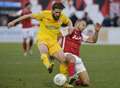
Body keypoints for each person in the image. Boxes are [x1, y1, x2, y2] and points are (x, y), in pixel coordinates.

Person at [8, 2, 75, 86]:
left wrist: (71, 27)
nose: (58, 14)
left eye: (59, 12)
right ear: (52, 10)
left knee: (64, 61)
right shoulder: (44, 14)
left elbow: (69, 21)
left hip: (53, 42)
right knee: (44, 51)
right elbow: (27, 16)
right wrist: (13, 22)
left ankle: (64, 84)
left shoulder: (62, 16)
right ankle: (48, 66)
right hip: (42, 39)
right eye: (56, 12)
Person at [59, 20, 102, 86]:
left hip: (77, 59)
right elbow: (58, 34)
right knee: (72, 58)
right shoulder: (69, 29)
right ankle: (71, 76)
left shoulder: (81, 35)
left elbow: (93, 40)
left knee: (86, 83)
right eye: (83, 25)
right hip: (66, 54)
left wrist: (96, 31)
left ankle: (78, 80)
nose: (84, 27)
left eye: (85, 26)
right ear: (77, 24)